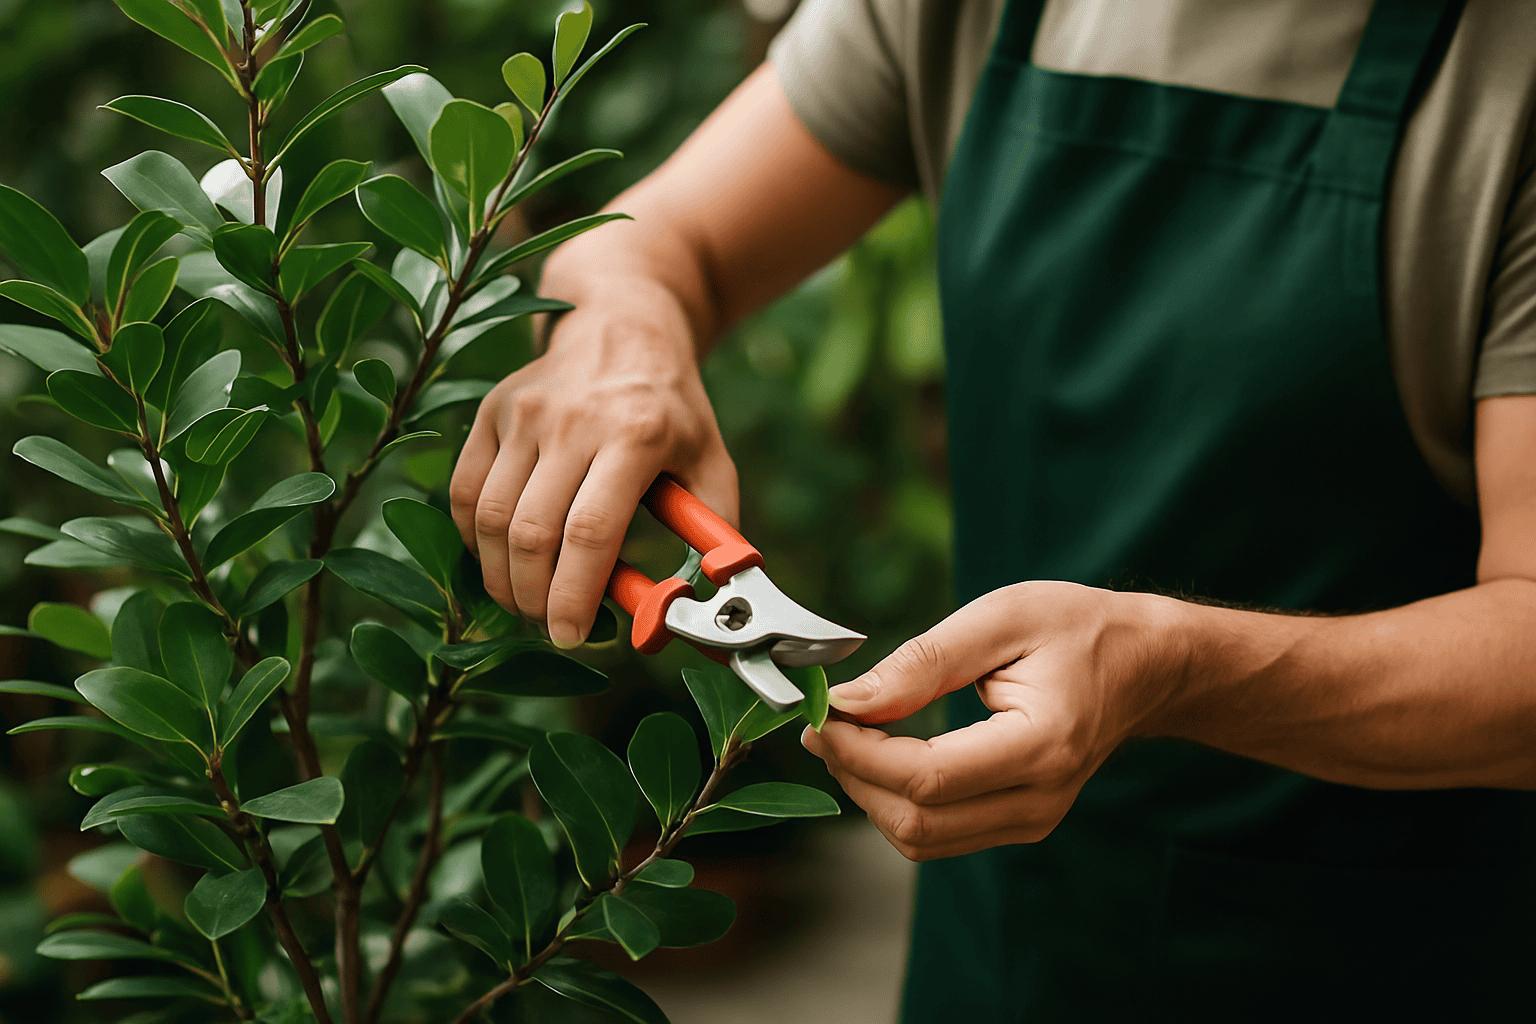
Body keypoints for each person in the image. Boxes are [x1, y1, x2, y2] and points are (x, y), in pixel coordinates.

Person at [450, 0, 1536, 1018]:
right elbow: (655, 240)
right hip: (1002, 939)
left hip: (1387, 953)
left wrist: (1174, 664)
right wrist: (621, 333)